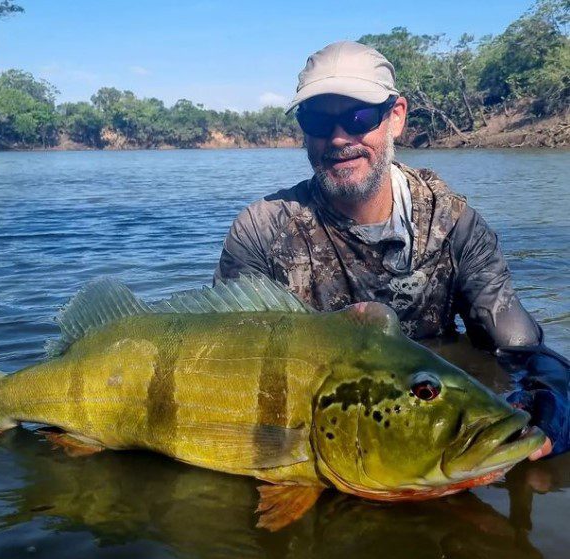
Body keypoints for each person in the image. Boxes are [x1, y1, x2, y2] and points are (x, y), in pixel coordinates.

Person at [214, 41, 568, 458]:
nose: (339, 138)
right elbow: (223, 364)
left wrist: (548, 417)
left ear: (395, 117)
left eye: (358, 116)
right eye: (317, 120)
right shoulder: (261, 230)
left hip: (418, 428)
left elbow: (522, 351)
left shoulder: (457, 227)